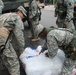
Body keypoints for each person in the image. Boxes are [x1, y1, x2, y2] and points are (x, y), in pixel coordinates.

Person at [0, 6, 27, 75]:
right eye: (23, 15)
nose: (23, 17)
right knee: (14, 63)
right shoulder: (16, 17)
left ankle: (5, 69)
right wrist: (21, 49)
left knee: (4, 57)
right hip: (1, 38)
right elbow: (19, 36)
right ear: (19, 12)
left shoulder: (5, 15)